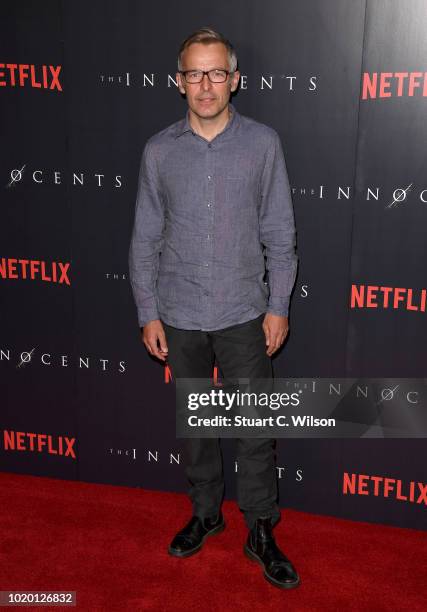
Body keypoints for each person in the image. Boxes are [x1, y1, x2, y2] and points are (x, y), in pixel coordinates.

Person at [128, 27, 299, 590]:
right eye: (194, 74)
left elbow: (279, 230)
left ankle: (260, 528)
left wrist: (278, 305)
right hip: (178, 312)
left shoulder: (263, 144)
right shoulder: (158, 151)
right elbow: (145, 237)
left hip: (244, 310)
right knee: (197, 427)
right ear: (180, 83)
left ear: (235, 79)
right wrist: (147, 310)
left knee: (254, 428)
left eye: (217, 72)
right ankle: (206, 513)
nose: (206, 84)